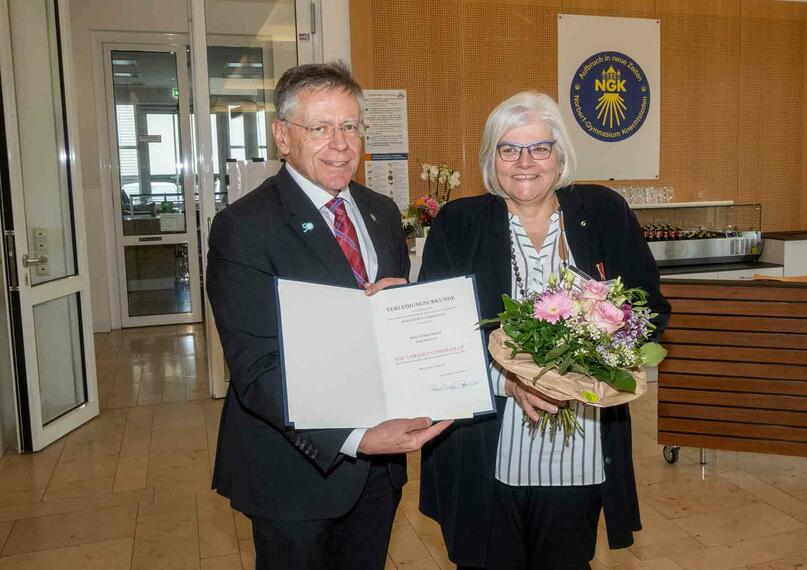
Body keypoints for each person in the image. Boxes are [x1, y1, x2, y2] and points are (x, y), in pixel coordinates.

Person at [206, 61, 451, 570]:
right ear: (282, 136)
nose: (340, 143)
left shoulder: (382, 212)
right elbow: (257, 371)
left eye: (350, 126)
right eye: (319, 128)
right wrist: (357, 437)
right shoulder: (244, 227)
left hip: (378, 474)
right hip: (293, 470)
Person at [418, 91, 670, 569]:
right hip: (485, 450)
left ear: (560, 155)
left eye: (539, 147)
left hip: (578, 452)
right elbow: (437, 336)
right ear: (491, 160)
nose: (524, 162)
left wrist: (600, 362)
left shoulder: (604, 213)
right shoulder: (459, 224)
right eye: (508, 149)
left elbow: (650, 310)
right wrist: (509, 380)